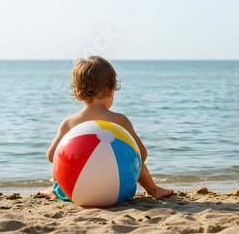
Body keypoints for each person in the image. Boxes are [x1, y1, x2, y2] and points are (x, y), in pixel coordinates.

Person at [37, 56, 174, 199]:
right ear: (111, 91)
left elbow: (52, 156)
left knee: (62, 153)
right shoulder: (120, 121)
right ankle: (153, 190)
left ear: (77, 94)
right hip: (118, 191)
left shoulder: (69, 123)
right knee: (133, 153)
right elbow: (143, 155)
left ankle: (54, 191)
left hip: (73, 192)